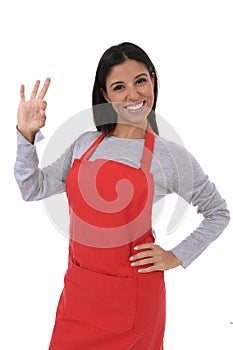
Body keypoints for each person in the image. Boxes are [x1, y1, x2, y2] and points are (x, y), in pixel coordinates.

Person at [14, 42, 230, 350]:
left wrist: (175, 256)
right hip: (79, 293)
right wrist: (26, 136)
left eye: (140, 80)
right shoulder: (84, 143)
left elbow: (218, 212)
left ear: (153, 80)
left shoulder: (170, 156)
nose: (133, 94)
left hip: (134, 301)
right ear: (104, 95)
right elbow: (31, 188)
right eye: (119, 86)